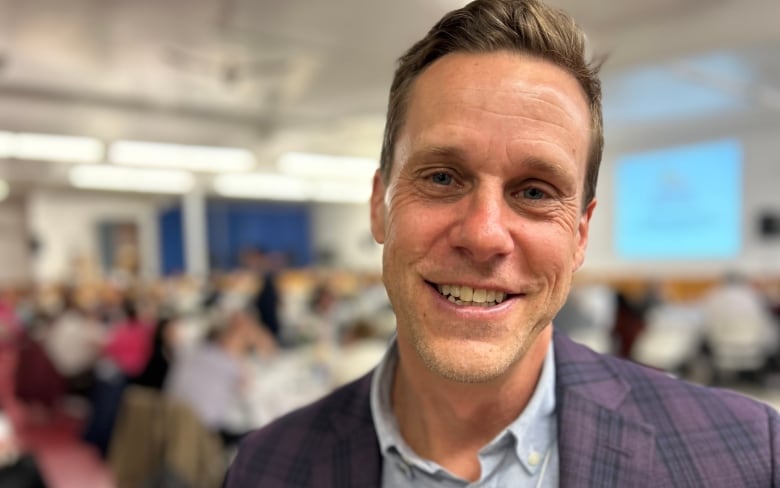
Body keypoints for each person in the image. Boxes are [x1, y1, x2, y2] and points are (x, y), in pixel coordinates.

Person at [225, 0, 780, 486]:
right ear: (379, 206)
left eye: (535, 191)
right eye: (442, 177)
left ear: (580, 235)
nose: (485, 234)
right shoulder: (267, 467)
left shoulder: (748, 457)